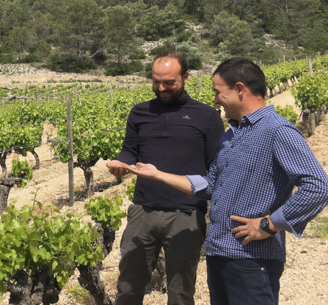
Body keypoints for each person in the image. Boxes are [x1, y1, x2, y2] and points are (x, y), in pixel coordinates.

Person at [121, 57, 328, 305]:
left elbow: (317, 186)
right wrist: (157, 174)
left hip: (252, 258)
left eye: (218, 93)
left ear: (240, 89)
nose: (215, 100)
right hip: (220, 252)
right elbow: (211, 186)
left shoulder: (277, 130)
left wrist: (270, 224)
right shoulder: (232, 135)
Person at [106, 52, 224, 305]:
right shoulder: (140, 113)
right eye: (156, 81)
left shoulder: (207, 116)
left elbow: (216, 167)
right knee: (128, 287)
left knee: (180, 292)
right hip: (143, 210)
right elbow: (130, 149)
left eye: (169, 82)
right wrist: (121, 162)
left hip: (186, 213)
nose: (161, 88)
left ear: (185, 77)